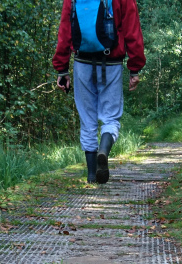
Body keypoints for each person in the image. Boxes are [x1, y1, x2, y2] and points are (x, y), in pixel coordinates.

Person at [53, 0, 145, 184]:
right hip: (111, 61)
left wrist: (62, 68)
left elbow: (65, 30)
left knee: (87, 119)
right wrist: (134, 67)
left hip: (82, 62)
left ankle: (91, 175)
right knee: (110, 117)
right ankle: (104, 150)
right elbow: (132, 30)